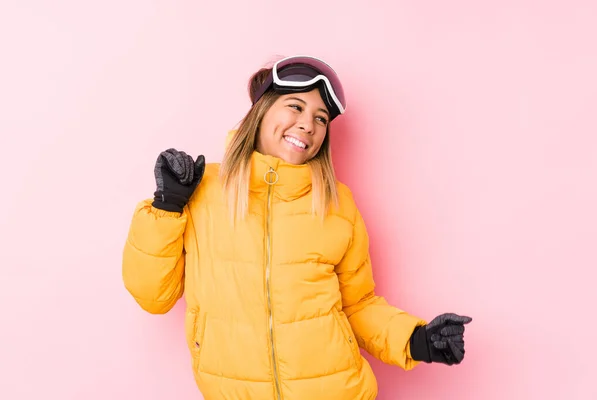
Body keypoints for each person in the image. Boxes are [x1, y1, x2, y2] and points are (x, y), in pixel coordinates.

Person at [122, 55, 472, 400]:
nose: (309, 125)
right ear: (261, 111)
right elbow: (153, 296)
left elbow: (358, 304)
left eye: (321, 118)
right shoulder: (203, 190)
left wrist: (416, 340)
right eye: (295, 106)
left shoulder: (336, 204)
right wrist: (167, 206)